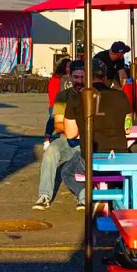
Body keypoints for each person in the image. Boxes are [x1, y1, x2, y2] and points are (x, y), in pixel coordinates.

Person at [61, 59, 132, 210]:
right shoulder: (121, 96)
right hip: (119, 154)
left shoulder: (76, 98)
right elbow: (128, 128)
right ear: (105, 76)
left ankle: (86, 194)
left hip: (91, 155)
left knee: (67, 171)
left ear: (87, 76)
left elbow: (71, 133)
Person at [32, 60, 85, 210]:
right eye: (76, 77)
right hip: (67, 139)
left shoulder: (93, 94)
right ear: (70, 76)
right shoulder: (63, 96)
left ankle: (82, 197)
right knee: (51, 152)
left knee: (78, 165)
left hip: (88, 140)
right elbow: (58, 124)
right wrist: (74, 131)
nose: (79, 81)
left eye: (82, 77)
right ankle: (44, 195)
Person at [43, 58, 71, 149]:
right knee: (52, 119)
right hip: (57, 103)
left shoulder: (70, 78)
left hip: (66, 102)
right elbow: (53, 93)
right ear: (63, 67)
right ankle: (47, 139)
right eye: (68, 66)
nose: (70, 68)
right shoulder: (56, 78)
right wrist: (56, 105)